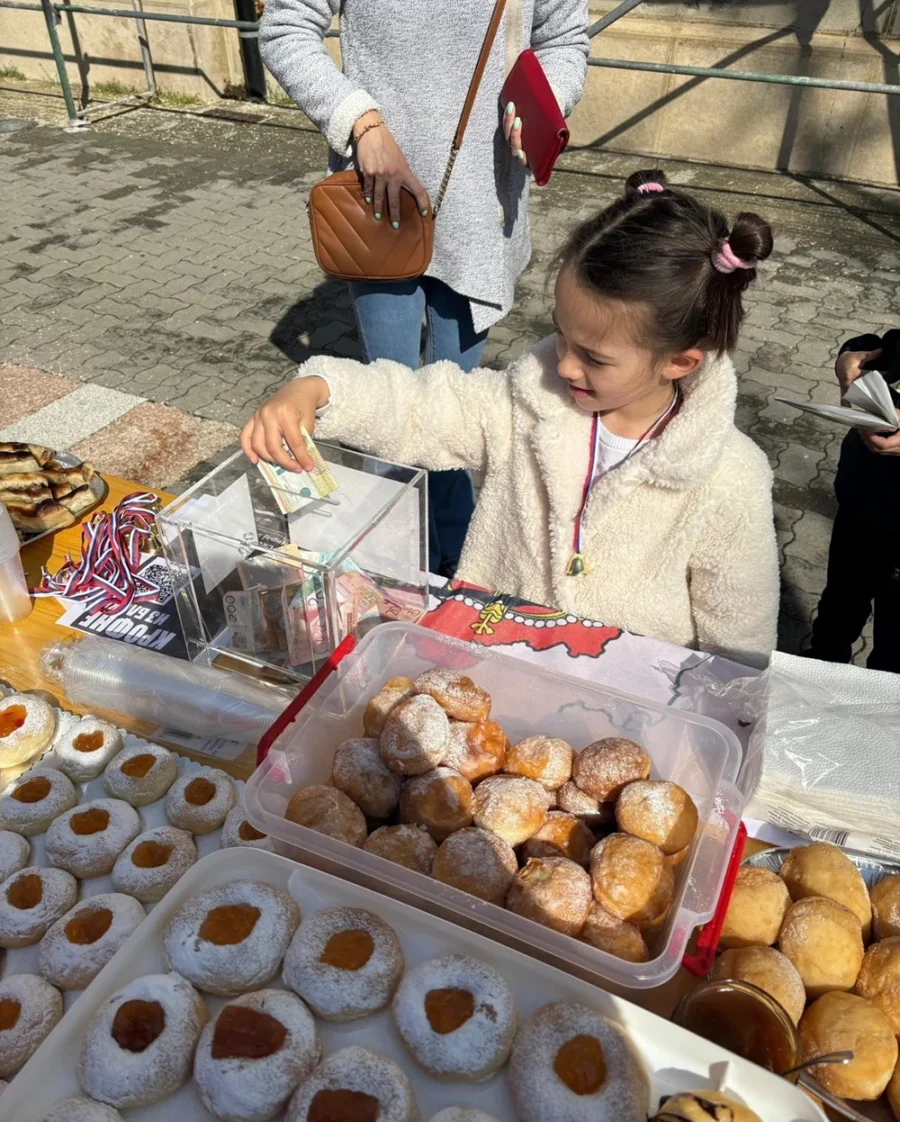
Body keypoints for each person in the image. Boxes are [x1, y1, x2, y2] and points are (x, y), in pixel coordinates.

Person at [241, 170, 780, 667]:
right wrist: (320, 389)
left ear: (679, 361)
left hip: (631, 703)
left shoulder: (730, 476)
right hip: (492, 663)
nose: (565, 362)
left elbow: (739, 635)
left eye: (594, 357)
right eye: (561, 333)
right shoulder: (525, 404)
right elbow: (420, 405)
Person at [258, 0, 589, 576]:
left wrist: (546, 101)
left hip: (481, 207)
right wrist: (360, 123)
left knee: (453, 417)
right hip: (379, 203)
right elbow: (285, 27)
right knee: (390, 416)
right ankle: (404, 571)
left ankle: (457, 572)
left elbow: (564, 38)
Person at [807, 330, 900, 672]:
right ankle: (820, 669)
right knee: (839, 605)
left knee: (893, 652)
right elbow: (884, 345)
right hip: (862, 500)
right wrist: (849, 356)